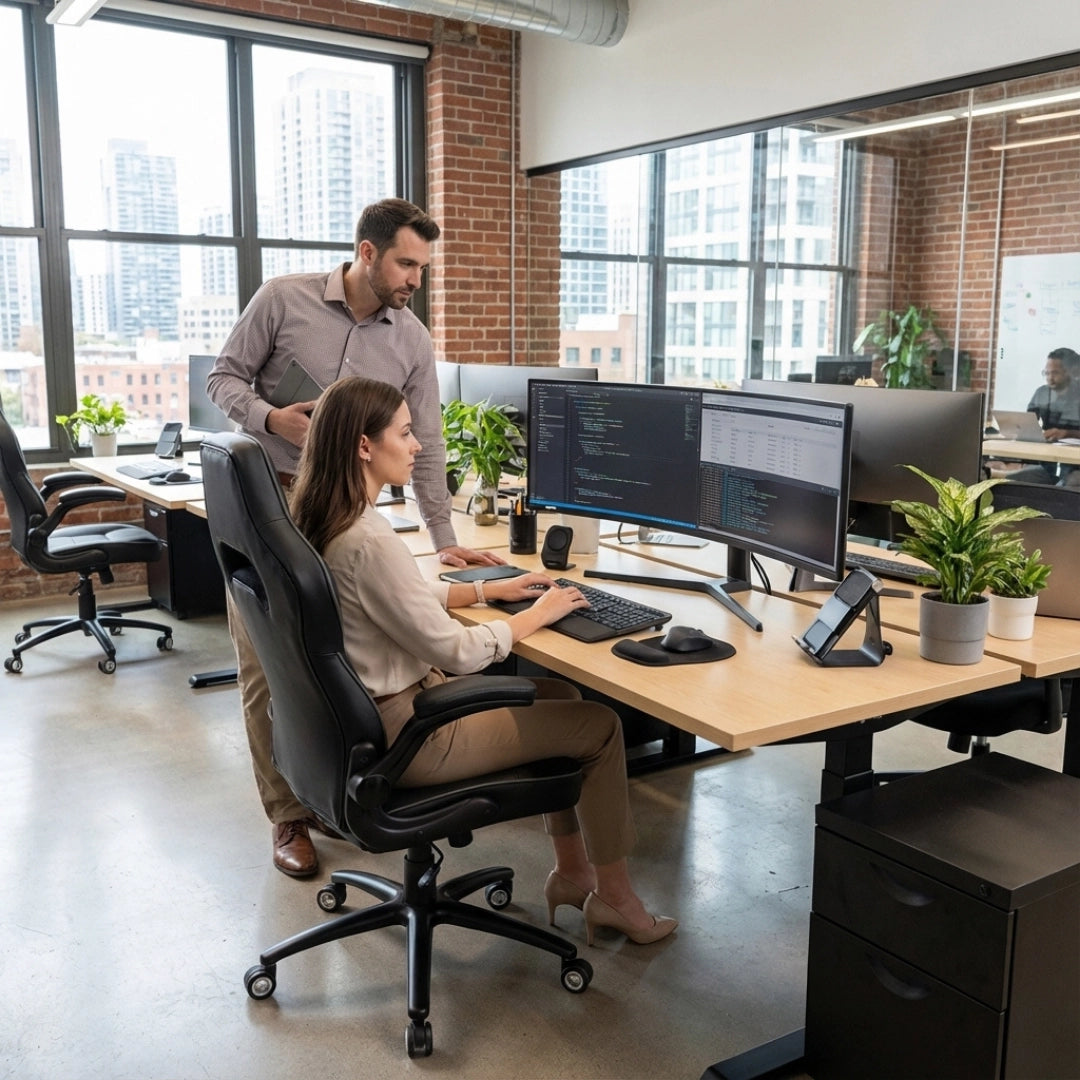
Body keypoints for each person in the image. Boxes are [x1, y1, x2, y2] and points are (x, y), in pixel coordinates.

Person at [287, 375, 677, 946]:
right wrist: (535, 615)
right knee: (600, 726)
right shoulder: (368, 539)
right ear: (364, 446)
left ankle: (572, 874)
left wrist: (486, 592)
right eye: (405, 432)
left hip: (359, 724)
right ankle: (616, 899)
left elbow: (396, 600)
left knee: (562, 698)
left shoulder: (329, 521)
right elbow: (457, 651)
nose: (418, 444)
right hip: (413, 733)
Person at [208, 198, 502, 877]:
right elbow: (222, 378)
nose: (415, 281)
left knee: (347, 653)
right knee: (268, 665)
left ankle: (353, 787)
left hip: (346, 511)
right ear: (367, 253)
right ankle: (288, 816)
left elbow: (424, 447)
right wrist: (271, 417)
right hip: (274, 507)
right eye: (406, 263)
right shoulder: (283, 300)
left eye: (423, 267)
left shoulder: (411, 339)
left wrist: (444, 536)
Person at [1025, 347, 1080, 482]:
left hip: (1075, 466)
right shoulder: (1042, 393)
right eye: (1046, 373)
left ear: (1071, 373)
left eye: (1055, 373)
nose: (1049, 378)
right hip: (1049, 462)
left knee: (1066, 485)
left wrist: (1067, 433)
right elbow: (1028, 422)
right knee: (1012, 481)